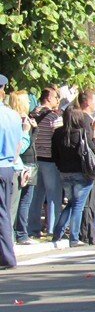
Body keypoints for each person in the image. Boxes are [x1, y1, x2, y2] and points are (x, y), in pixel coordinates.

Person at [51, 105, 95, 248]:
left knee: (71, 203)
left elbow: (54, 155)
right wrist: (94, 134)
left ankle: (57, 233)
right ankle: (74, 238)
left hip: (64, 173)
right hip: (81, 173)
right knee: (78, 206)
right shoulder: (82, 133)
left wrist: (61, 167)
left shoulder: (57, 133)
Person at [26, 87, 63, 239]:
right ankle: (53, 228)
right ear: (48, 98)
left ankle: (33, 228)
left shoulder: (31, 115)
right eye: (56, 97)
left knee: (36, 195)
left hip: (35, 159)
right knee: (54, 195)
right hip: (50, 159)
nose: (57, 100)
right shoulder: (53, 117)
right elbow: (58, 136)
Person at [8, 91, 35, 245]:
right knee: (15, 205)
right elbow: (20, 148)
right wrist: (27, 132)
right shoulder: (19, 120)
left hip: (16, 165)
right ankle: (14, 238)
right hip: (18, 165)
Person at [1, 75, 23, 268]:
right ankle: (7, 255)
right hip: (8, 167)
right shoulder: (13, 115)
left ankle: (7, 256)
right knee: (4, 213)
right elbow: (18, 145)